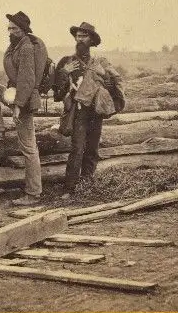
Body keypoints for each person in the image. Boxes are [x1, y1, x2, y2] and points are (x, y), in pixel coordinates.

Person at [0, 11, 50, 206]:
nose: (10, 31)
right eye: (9, 28)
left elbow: (27, 80)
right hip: (17, 93)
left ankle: (33, 193)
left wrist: (18, 107)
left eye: (14, 28)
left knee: (29, 147)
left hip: (26, 99)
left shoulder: (27, 47)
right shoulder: (16, 44)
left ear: (23, 30)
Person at [52, 22, 124, 200]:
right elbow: (57, 93)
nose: (79, 39)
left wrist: (106, 82)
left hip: (95, 112)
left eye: (84, 36)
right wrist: (63, 73)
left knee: (92, 149)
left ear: (91, 40)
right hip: (77, 112)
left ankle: (87, 184)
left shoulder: (100, 63)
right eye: (77, 36)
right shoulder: (66, 62)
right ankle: (70, 188)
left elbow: (114, 87)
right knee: (77, 148)